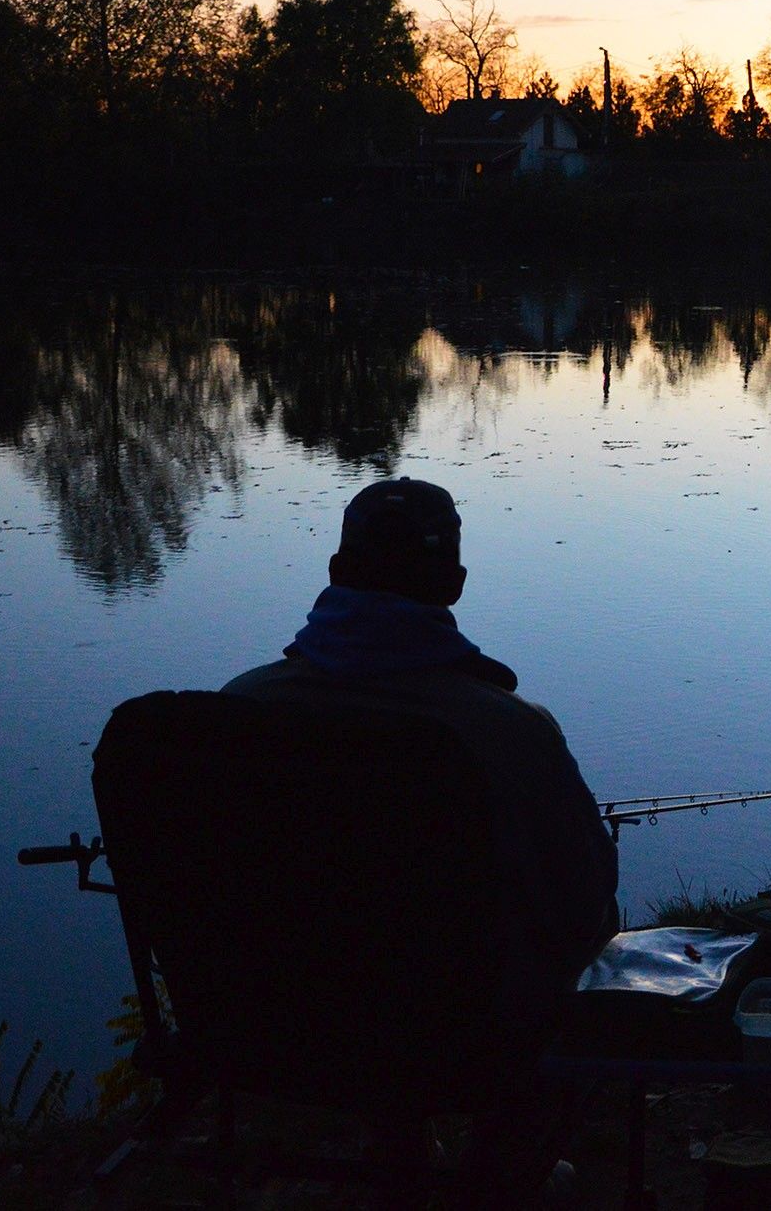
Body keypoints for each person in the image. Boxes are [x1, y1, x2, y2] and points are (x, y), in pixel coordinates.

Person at [223, 476, 618, 1200]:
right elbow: (585, 908)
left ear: (338, 573)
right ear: (455, 584)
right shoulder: (508, 730)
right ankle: (499, 1170)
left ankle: (393, 1146)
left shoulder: (232, 713)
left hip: (266, 1031)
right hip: (460, 1044)